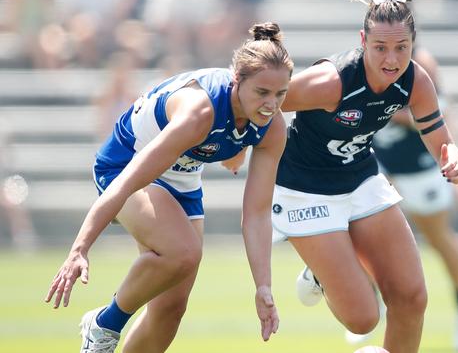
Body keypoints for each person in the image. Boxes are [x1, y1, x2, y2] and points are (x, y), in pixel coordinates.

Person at [44, 22, 293, 353]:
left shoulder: (272, 127)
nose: (271, 105)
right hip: (124, 168)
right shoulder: (198, 113)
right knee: (184, 252)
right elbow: (127, 183)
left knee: (170, 309)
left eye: (281, 94)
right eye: (262, 93)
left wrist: (263, 286)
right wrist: (80, 248)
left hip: (182, 181)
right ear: (236, 81)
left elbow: (257, 213)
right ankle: (104, 324)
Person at [270, 0, 458, 353]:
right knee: (363, 319)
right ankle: (323, 271)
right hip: (303, 189)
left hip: (359, 178)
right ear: (363, 41)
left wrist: (451, 157)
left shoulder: (416, 81)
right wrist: (238, 151)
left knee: (411, 298)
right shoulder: (331, 82)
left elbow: (440, 136)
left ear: (413, 44)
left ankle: (328, 266)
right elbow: (260, 99)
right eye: (380, 48)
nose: (391, 59)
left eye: (401, 48)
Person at [367, 49, 458, 351]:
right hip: (381, 161)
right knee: (368, 230)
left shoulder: (423, 64)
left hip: (418, 165)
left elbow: (434, 115)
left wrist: (389, 112)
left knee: (437, 237)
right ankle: (369, 298)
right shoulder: (369, 58)